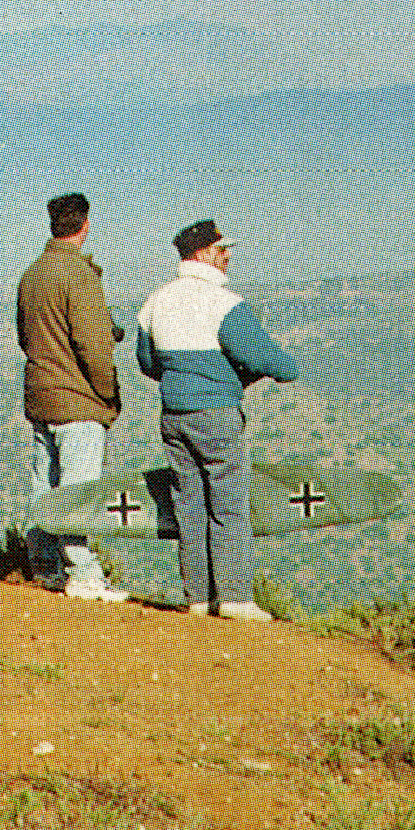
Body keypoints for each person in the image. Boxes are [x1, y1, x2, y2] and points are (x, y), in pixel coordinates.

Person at [135, 219, 297, 622]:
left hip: (173, 416)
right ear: (205, 253)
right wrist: (253, 373)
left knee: (189, 509)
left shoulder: (155, 302)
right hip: (217, 415)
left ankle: (199, 599)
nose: (228, 258)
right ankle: (236, 599)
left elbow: (147, 363)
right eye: (224, 251)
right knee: (228, 504)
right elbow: (272, 362)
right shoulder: (226, 304)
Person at [16, 191, 129, 602]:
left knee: (45, 487)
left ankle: (46, 566)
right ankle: (84, 574)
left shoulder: (31, 274)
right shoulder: (80, 275)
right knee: (80, 490)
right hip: (77, 400)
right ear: (84, 226)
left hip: (40, 395)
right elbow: (94, 345)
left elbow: (25, 337)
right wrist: (107, 395)